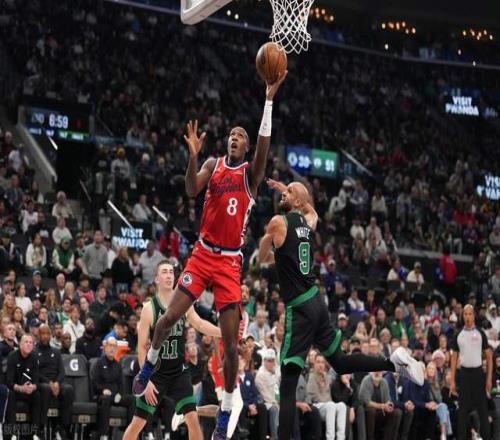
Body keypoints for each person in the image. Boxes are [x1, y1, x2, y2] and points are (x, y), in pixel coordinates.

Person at [132, 73, 287, 440]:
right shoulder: (213, 165)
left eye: (241, 136)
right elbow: (190, 189)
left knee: (231, 347)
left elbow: (264, 146)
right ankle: (148, 365)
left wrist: (268, 101)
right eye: (232, 134)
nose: (235, 138)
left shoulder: (250, 175)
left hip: (229, 262)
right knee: (167, 319)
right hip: (202, 255)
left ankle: (226, 411)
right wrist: (193, 157)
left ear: (246, 147)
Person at [258, 180, 424, 440]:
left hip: (299, 308)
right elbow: (311, 211)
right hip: (317, 302)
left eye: (289, 190)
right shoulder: (309, 223)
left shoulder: (278, 222)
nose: (284, 192)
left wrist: (265, 248)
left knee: (288, 383)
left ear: (298, 201)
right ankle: (392, 363)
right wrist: (291, 193)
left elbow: (262, 254)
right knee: (341, 362)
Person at [123, 260, 221, 440]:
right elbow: (142, 348)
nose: (169, 275)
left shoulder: (183, 303)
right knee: (138, 422)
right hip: (155, 374)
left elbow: (199, 324)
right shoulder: (149, 309)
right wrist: (146, 380)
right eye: (164, 272)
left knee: (192, 418)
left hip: (178, 371)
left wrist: (223, 333)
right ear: (156, 279)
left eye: (171, 272)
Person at [450, 304, 492, 440]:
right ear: (463, 316)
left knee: (483, 410)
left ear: (473, 315)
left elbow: (489, 357)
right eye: (465, 314)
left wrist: (489, 379)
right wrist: (452, 381)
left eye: (470, 314)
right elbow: (454, 358)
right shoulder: (458, 334)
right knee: (462, 411)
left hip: (478, 374)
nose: (468, 316)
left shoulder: (480, 333)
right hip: (464, 375)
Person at [37, 325, 74, 440]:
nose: (45, 336)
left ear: (50, 336)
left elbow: (62, 371)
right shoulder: (34, 352)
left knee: (68, 389)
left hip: (56, 382)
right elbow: (35, 373)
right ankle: (41, 428)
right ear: (39, 335)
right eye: (43, 334)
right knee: (46, 388)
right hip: (42, 382)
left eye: (47, 334)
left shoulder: (56, 352)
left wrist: (57, 383)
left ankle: (62, 428)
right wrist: (50, 383)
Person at [94, 337, 135, 440]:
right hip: (103, 395)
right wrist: (103, 390)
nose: (112, 348)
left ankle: (130, 433)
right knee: (105, 399)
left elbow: (121, 384)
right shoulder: (99, 363)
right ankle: (104, 435)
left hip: (116, 396)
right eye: (110, 346)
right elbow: (95, 383)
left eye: (114, 346)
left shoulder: (118, 365)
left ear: (116, 349)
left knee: (132, 399)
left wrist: (120, 394)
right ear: (105, 348)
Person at [5, 334, 43, 440]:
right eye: (26, 342)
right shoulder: (12, 356)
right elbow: (9, 382)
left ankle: (35, 433)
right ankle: (13, 433)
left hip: (28, 390)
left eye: (31, 342)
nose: (29, 344)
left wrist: (33, 387)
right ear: (20, 344)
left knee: (37, 395)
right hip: (16, 390)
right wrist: (21, 388)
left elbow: (36, 380)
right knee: (10, 394)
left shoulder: (34, 357)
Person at [307, 354, 347, 440]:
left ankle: (341, 438)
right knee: (331, 405)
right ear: (314, 364)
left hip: (328, 406)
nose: (320, 365)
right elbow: (313, 397)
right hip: (317, 406)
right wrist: (328, 401)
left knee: (342, 406)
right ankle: (330, 438)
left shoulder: (328, 377)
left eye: (322, 362)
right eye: (318, 362)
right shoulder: (311, 377)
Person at [359, 371, 402, 440]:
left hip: (380, 413)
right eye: (375, 371)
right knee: (372, 411)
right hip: (367, 412)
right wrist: (383, 406)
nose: (377, 373)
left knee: (397, 412)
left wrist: (389, 406)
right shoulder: (366, 380)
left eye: (379, 371)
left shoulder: (384, 382)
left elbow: (387, 400)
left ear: (382, 373)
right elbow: (366, 402)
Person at [237, 354, 268, 440]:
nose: (239, 363)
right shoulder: (234, 377)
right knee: (241, 408)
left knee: (262, 407)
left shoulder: (249, 376)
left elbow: (255, 394)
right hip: (241, 404)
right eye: (237, 360)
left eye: (241, 360)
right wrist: (248, 406)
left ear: (244, 362)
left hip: (251, 404)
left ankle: (263, 437)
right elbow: (238, 397)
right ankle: (244, 437)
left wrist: (253, 405)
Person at [255, 349, 280, 440]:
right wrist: (276, 403)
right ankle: (274, 437)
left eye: (273, 360)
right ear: (264, 361)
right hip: (265, 403)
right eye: (269, 361)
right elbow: (265, 395)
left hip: (276, 400)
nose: (271, 363)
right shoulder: (260, 375)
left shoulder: (275, 373)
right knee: (274, 409)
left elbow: (278, 390)